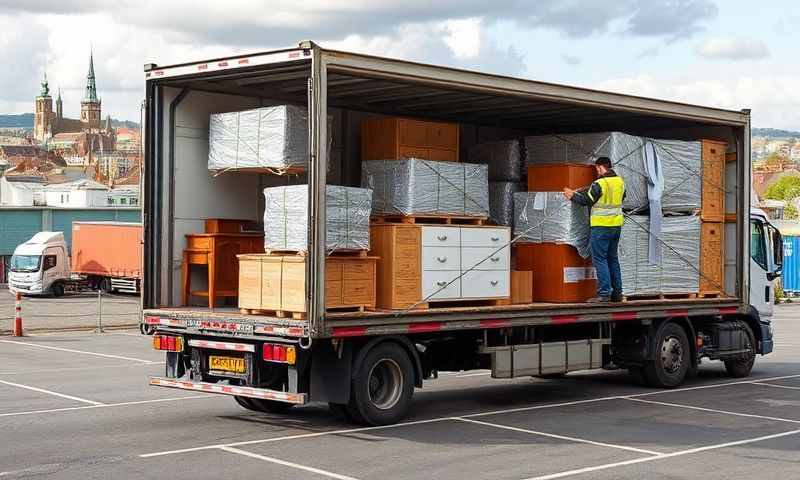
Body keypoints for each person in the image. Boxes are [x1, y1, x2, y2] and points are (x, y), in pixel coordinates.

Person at [563, 157, 625, 303]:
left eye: (596, 169)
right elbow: (622, 198)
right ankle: (617, 293)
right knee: (613, 258)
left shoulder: (599, 183)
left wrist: (572, 196)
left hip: (601, 226)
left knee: (600, 259)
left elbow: (587, 201)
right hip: (616, 226)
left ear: (599, 168)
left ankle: (604, 294)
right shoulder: (620, 182)